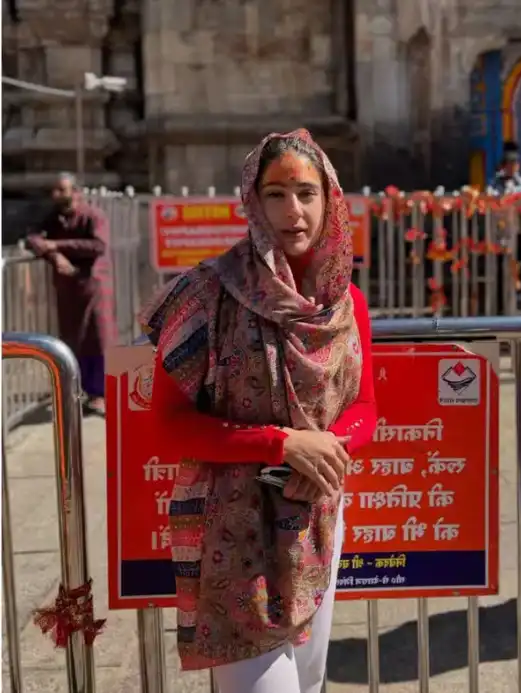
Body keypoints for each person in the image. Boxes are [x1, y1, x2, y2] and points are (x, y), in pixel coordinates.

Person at [139, 129, 377, 693]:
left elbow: (366, 407)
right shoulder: (205, 296)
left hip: (316, 521)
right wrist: (283, 444)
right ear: (251, 200)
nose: (292, 212)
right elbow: (167, 425)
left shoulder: (345, 303)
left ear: (330, 198)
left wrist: (331, 449)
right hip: (232, 537)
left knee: (312, 683)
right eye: (275, 194)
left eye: (306, 193)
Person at [26, 173, 115, 415]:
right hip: (67, 289)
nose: (56, 195)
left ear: (75, 192)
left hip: (93, 286)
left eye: (61, 190)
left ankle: (101, 394)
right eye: (54, 190)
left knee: (97, 339)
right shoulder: (53, 218)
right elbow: (33, 238)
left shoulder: (92, 216)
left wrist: (57, 245)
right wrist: (54, 256)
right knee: (72, 340)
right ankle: (80, 391)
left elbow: (98, 246)